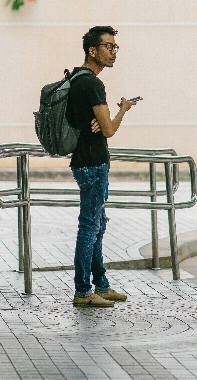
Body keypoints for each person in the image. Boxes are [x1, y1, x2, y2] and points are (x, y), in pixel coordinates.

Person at [65, 25, 137, 308]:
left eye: (115, 47)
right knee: (89, 227)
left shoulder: (76, 79)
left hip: (84, 162)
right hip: (93, 164)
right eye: (108, 46)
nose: (113, 52)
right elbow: (107, 130)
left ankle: (102, 284)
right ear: (92, 51)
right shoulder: (93, 83)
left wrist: (99, 122)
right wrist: (122, 110)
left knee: (96, 225)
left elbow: (91, 124)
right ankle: (83, 290)